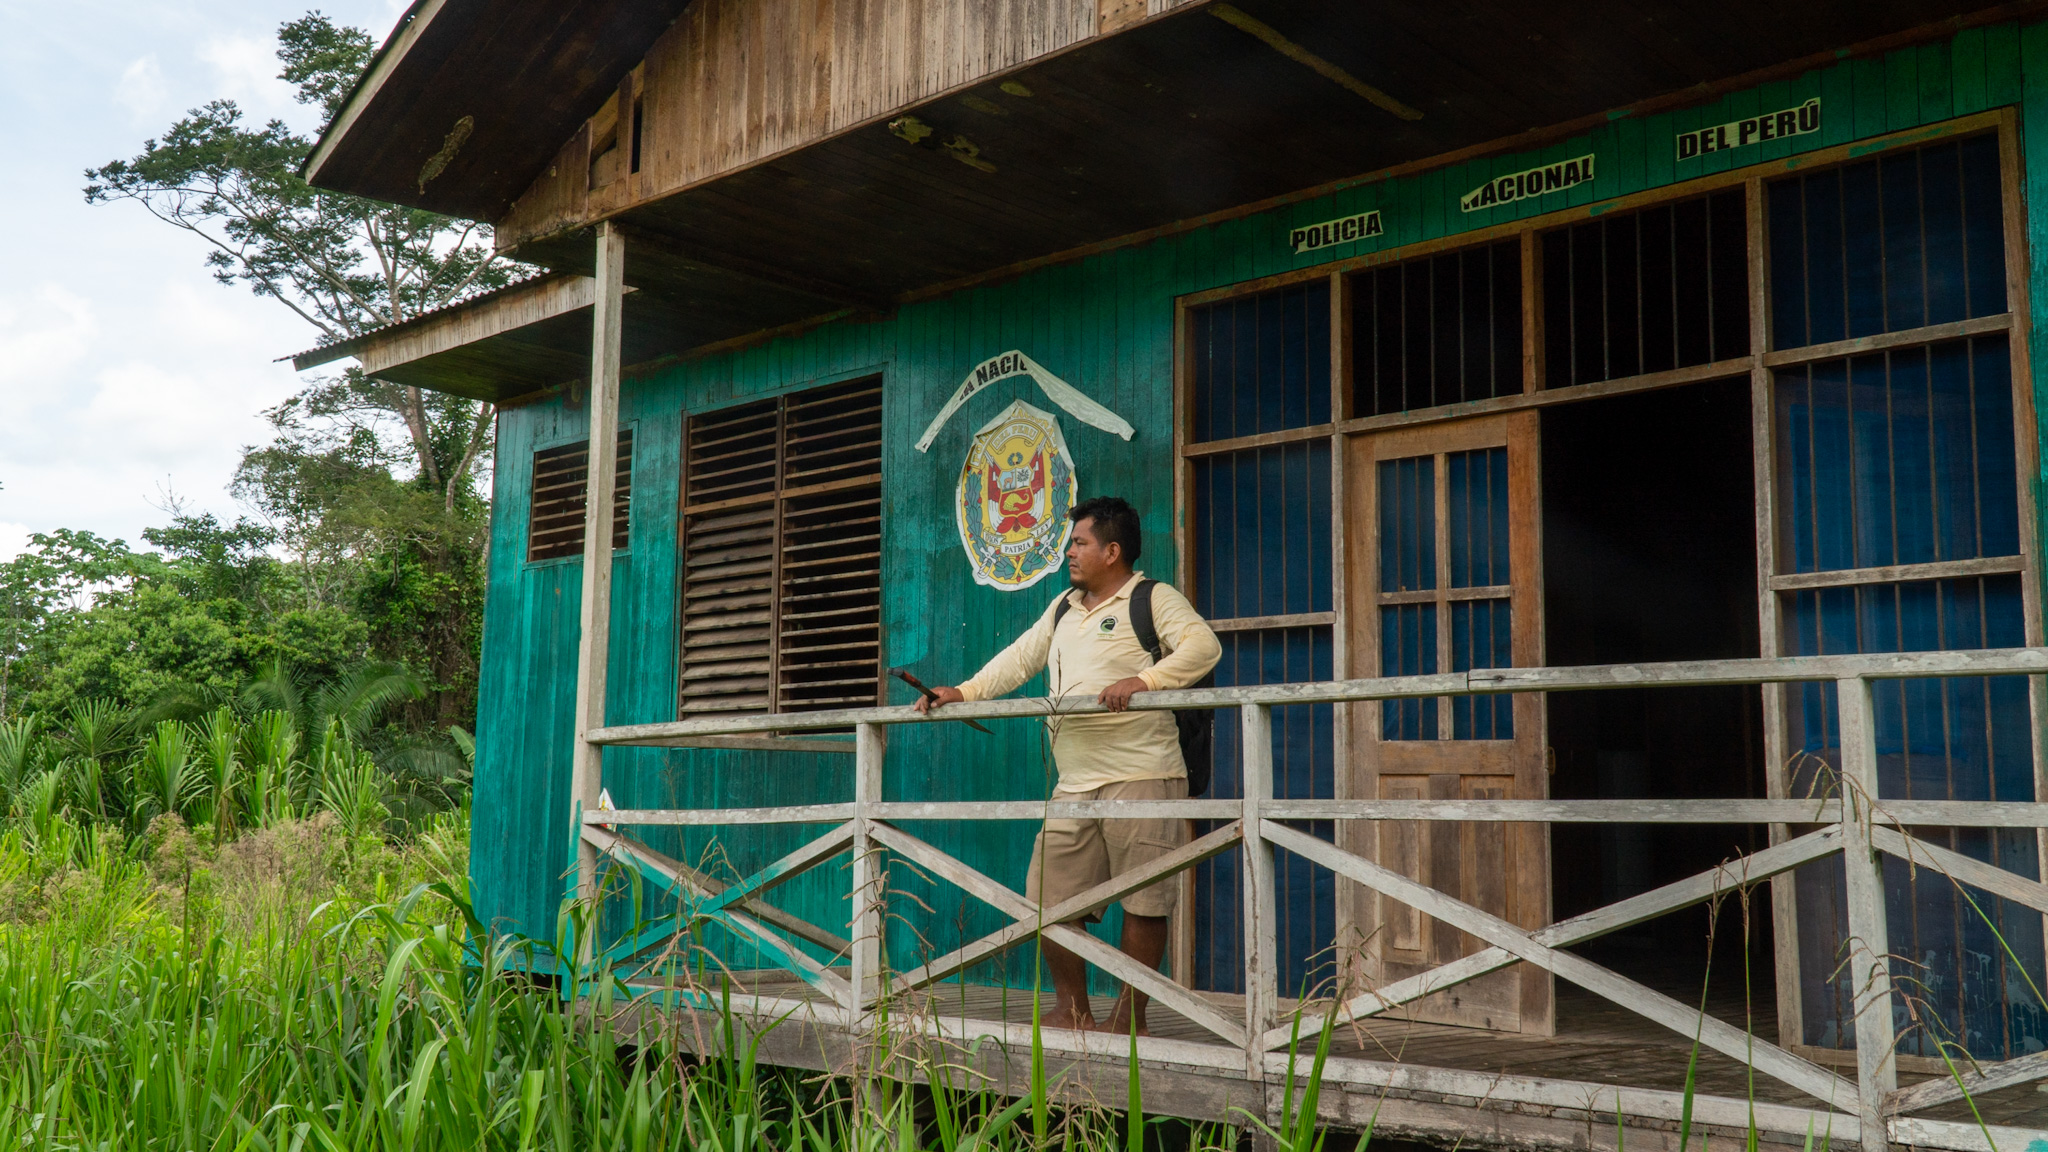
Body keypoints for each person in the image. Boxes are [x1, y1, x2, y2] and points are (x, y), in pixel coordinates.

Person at [916, 496, 1221, 1034]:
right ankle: (1073, 1008)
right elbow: (1019, 659)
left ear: (1112, 551)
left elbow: (1204, 647)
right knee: (1048, 899)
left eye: (1079, 543)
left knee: (1144, 901)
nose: (1069, 553)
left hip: (1143, 773)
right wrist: (962, 692)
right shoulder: (1063, 606)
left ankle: (1129, 1016)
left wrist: (1145, 681)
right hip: (1074, 782)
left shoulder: (1152, 598)